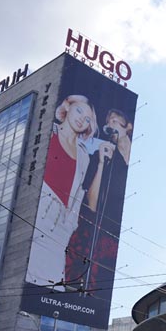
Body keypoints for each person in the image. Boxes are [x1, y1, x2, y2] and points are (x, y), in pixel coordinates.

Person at [26, 95, 97, 290]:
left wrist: (70, 223)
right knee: (25, 283)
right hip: (37, 219)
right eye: (79, 111)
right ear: (67, 106)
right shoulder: (47, 133)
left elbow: (77, 193)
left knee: (53, 287)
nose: (82, 119)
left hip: (60, 231)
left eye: (88, 119)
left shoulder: (84, 155)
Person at [65, 108, 133, 293]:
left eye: (114, 121)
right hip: (91, 237)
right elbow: (91, 204)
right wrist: (102, 164)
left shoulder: (137, 164)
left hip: (114, 242)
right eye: (108, 122)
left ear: (128, 127)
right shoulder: (100, 155)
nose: (110, 125)